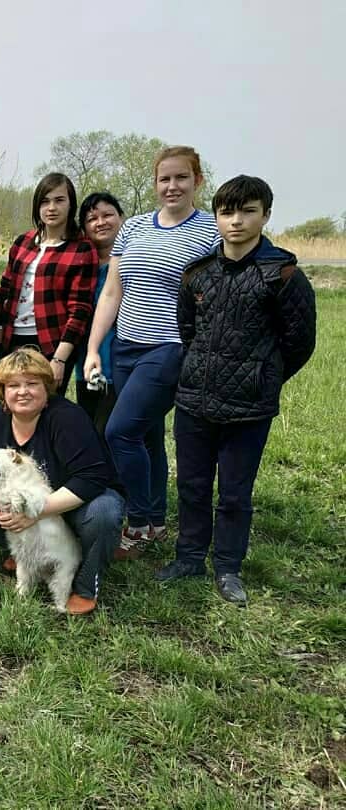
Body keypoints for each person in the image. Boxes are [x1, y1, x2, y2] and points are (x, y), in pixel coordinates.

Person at [156, 175, 316, 605]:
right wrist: (199, 369)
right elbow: (187, 330)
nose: (236, 221)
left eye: (247, 211)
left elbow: (299, 343)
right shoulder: (198, 275)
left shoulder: (282, 275)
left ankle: (227, 567)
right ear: (217, 216)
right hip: (193, 401)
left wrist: (261, 377)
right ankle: (189, 556)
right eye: (227, 212)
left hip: (249, 408)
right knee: (190, 485)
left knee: (234, 493)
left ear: (265, 214)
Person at [83, 146, 220, 560]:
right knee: (146, 436)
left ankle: (139, 521)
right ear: (155, 183)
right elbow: (113, 290)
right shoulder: (135, 227)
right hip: (125, 346)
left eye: (181, 178)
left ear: (197, 181)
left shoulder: (211, 231)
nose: (172, 186)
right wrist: (94, 348)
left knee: (119, 431)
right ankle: (157, 521)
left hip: (169, 348)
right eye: (164, 179)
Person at [0, 348, 125, 615]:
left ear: (47, 387)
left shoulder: (68, 418)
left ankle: (85, 583)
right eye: (13, 385)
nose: (23, 392)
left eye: (32, 384)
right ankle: (31, 556)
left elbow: (92, 477)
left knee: (104, 512)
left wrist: (34, 513)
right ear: (2, 391)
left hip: (74, 507)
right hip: (22, 513)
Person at [0, 172, 96, 407]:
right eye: (45, 201)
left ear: (71, 204)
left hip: (51, 343)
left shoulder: (81, 249)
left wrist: (59, 359)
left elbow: (79, 310)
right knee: (0, 408)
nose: (51, 208)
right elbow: (3, 295)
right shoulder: (23, 242)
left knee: (41, 411)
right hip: (12, 339)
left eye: (59, 200)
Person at [71, 193, 125, 435]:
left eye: (108, 215)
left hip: (123, 365)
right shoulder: (82, 266)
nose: (100, 222)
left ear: (122, 218)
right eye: (92, 218)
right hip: (87, 365)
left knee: (114, 434)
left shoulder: (134, 261)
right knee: (91, 432)